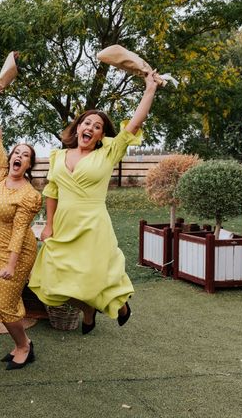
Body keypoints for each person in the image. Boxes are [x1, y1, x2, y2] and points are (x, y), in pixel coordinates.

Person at [28, 71, 160, 334]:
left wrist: (150, 89)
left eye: (97, 126)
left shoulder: (109, 153)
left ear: (101, 135)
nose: (90, 128)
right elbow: (52, 191)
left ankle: (119, 305)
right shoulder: (58, 156)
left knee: (96, 276)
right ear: (78, 127)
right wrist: (48, 224)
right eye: (86, 123)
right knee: (51, 281)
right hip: (64, 226)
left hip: (93, 225)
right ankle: (87, 309)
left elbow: (134, 123)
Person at [0, 88, 42, 370]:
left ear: (29, 165)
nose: (18, 156)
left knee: (4, 305)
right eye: (16, 152)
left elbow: (20, 232)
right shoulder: (1, 173)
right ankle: (22, 341)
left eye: (25, 155)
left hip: (15, 253)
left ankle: (24, 346)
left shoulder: (28, 195)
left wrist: (11, 263)